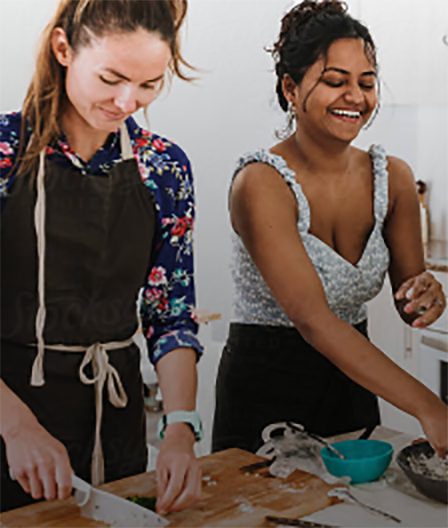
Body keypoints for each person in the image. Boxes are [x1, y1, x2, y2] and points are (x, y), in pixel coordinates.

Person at [212, 0, 447, 458]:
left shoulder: (392, 177)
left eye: (367, 83)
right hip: (264, 393)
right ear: (291, 88)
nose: (355, 97)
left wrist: (426, 297)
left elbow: (409, 301)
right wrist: (430, 407)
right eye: (335, 82)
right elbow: (314, 320)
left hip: (351, 389)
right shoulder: (261, 182)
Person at [0, 0, 203, 515]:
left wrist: (181, 426)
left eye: (149, 84)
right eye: (111, 78)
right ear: (64, 48)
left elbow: (170, 314)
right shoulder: (4, 154)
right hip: (9, 422)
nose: (127, 101)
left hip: (117, 425)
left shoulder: (165, 168)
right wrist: (17, 426)